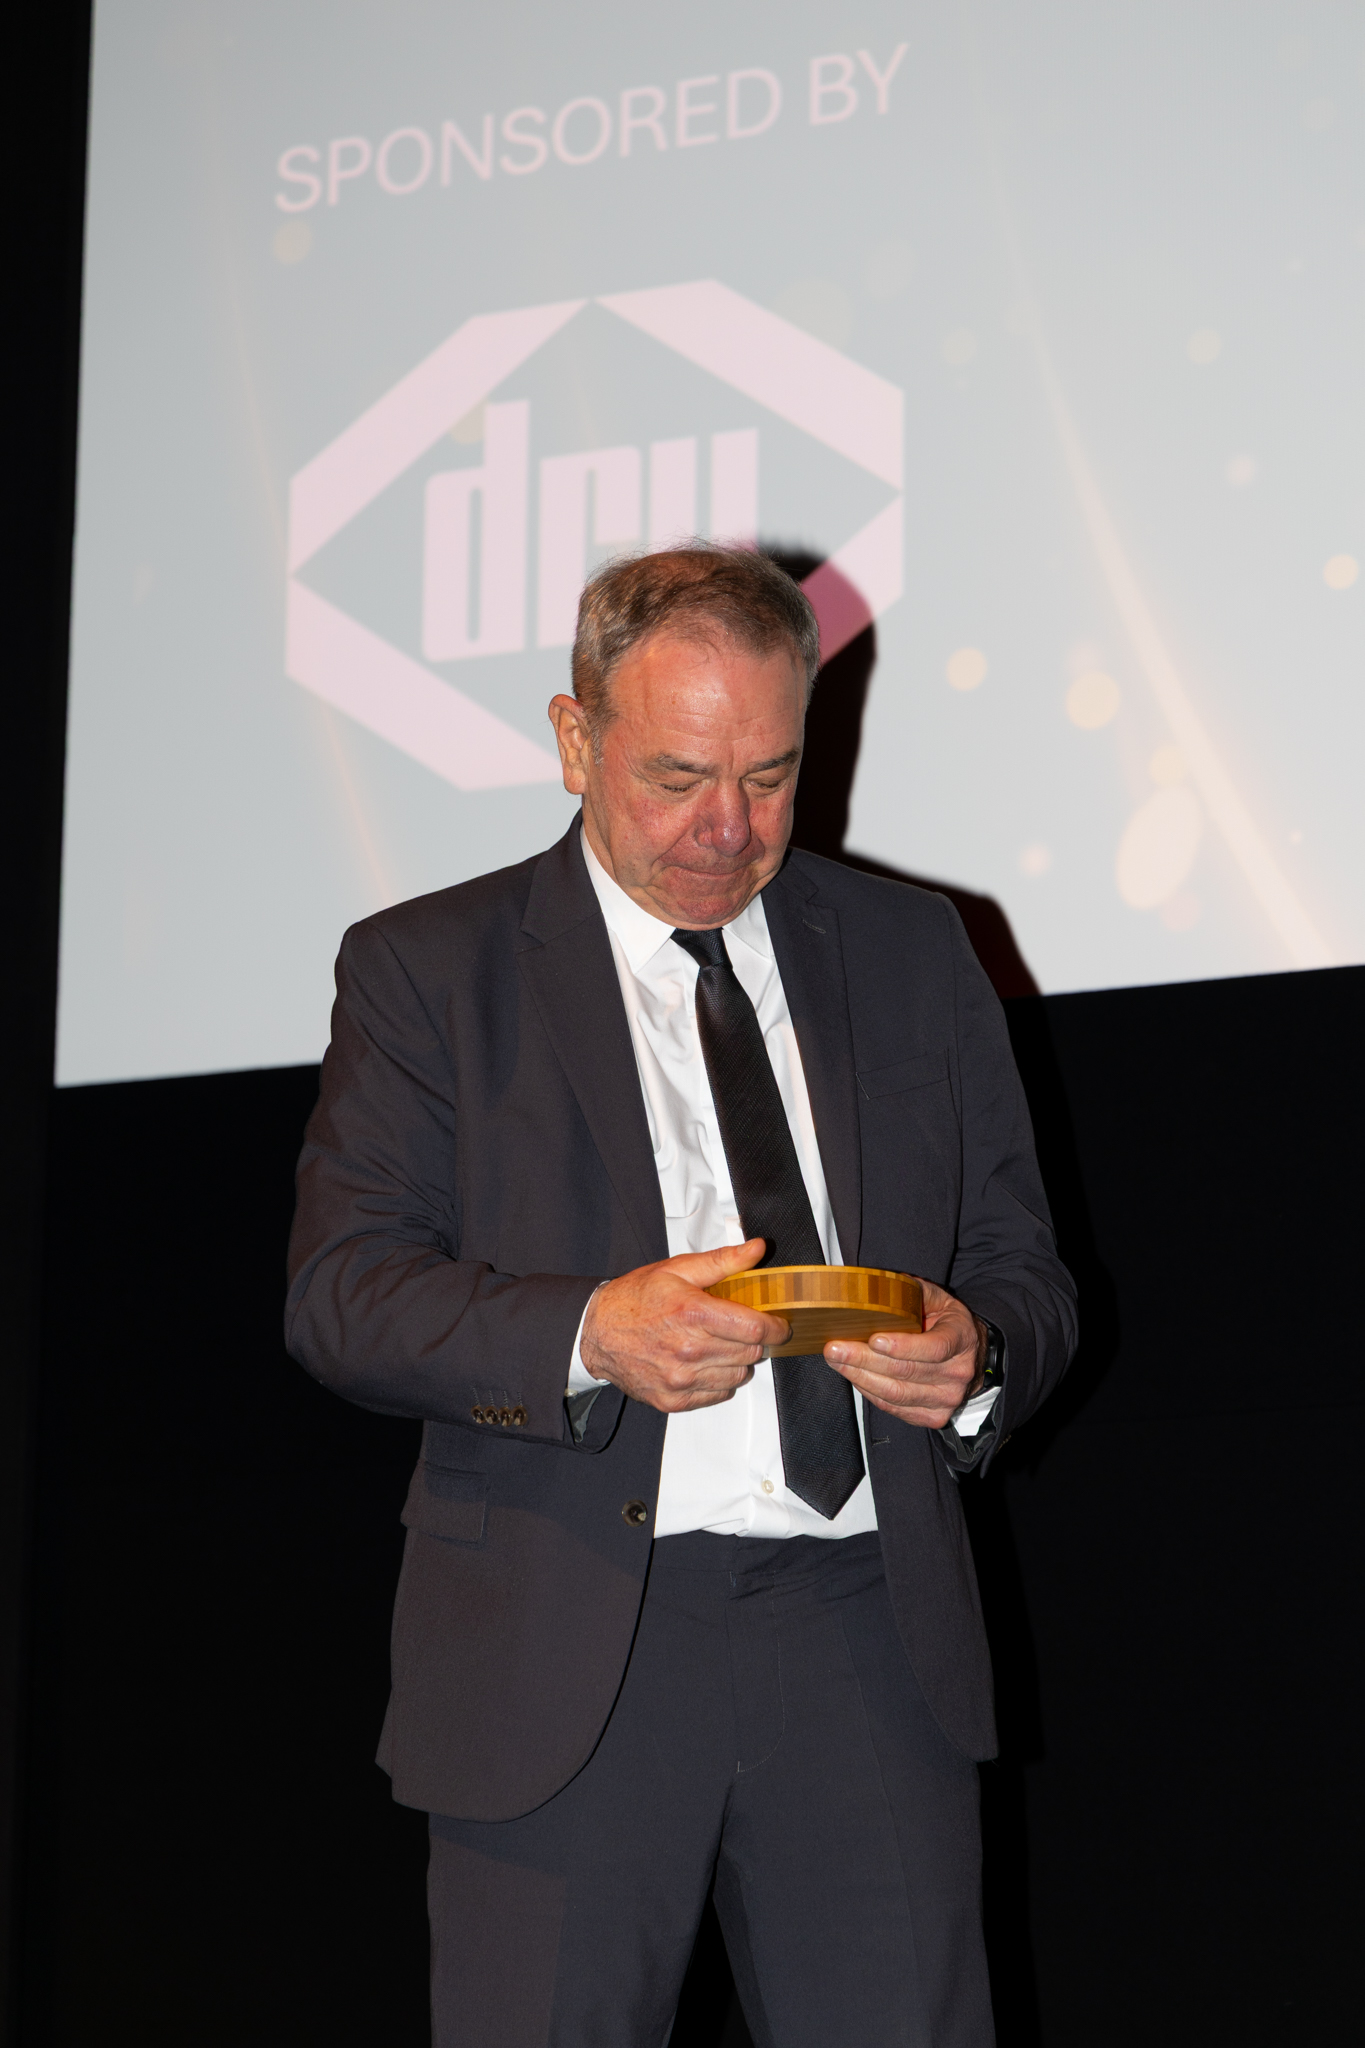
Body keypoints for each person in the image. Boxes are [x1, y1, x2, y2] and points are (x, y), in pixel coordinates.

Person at [286, 544, 1077, 2048]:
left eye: (770, 776)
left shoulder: (912, 950)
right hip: (566, 1636)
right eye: (677, 776)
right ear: (574, 738)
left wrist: (976, 1358)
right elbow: (342, 1294)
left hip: (865, 1635)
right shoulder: (428, 969)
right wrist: (592, 1333)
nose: (729, 826)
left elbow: (1025, 1269)